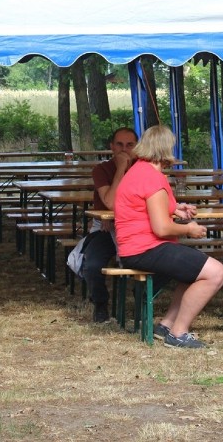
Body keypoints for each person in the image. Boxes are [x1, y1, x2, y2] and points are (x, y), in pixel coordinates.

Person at [114, 125, 223, 349]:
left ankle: (166, 325)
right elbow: (162, 228)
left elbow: (150, 207)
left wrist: (177, 209)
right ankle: (178, 333)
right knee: (215, 273)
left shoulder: (139, 170)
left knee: (194, 272)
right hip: (144, 248)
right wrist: (188, 229)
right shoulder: (151, 178)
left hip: (135, 247)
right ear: (166, 149)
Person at [84, 127, 138, 322]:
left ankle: (142, 304)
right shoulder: (101, 169)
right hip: (104, 229)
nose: (124, 149)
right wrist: (121, 170)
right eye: (120, 144)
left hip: (134, 228)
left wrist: (116, 217)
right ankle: (100, 304)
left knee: (160, 260)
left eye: (130, 145)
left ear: (137, 147)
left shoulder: (143, 169)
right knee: (92, 265)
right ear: (112, 147)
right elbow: (109, 202)